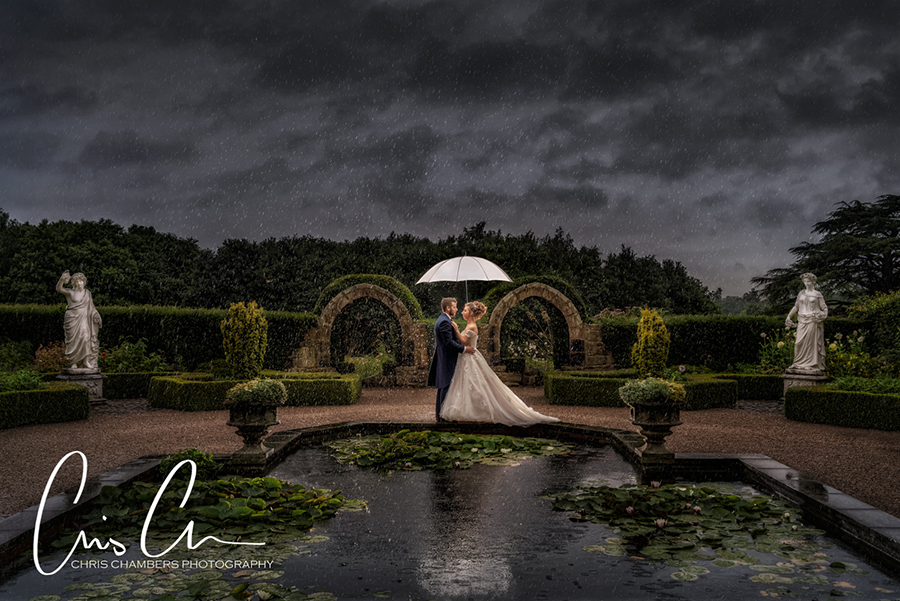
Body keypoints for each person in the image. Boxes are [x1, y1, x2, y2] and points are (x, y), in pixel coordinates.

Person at [440, 301, 559, 426]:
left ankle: (478, 411)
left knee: (475, 384)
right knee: (468, 384)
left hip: (470, 358)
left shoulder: (472, 326)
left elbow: (464, 342)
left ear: (470, 313)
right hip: (466, 357)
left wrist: (456, 330)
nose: (462, 312)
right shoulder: (469, 325)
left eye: (465, 310)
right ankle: (470, 411)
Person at [427, 298, 475, 421]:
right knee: (445, 386)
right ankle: (442, 418)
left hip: (445, 358)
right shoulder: (444, 322)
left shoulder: (444, 320)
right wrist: (464, 349)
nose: (456, 309)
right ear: (448, 308)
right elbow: (449, 343)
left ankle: (441, 416)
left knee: (443, 387)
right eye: (454, 307)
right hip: (447, 359)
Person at [56, 270, 102, 370]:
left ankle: (86, 361)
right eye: (77, 281)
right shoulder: (70, 292)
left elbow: (92, 307)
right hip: (72, 319)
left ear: (84, 282)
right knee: (74, 341)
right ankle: (73, 362)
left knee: (86, 338)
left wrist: (96, 314)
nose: (80, 283)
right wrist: (61, 280)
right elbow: (59, 289)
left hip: (84, 319)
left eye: (81, 281)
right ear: (74, 283)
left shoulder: (87, 293)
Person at [785, 272, 828, 373]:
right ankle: (797, 363)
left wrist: (822, 316)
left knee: (810, 344)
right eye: (804, 281)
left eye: (808, 281)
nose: (806, 283)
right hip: (802, 320)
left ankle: (811, 364)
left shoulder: (817, 294)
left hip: (812, 321)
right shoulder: (801, 293)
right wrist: (789, 316)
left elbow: (824, 308)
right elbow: (796, 306)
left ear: (813, 282)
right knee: (798, 342)